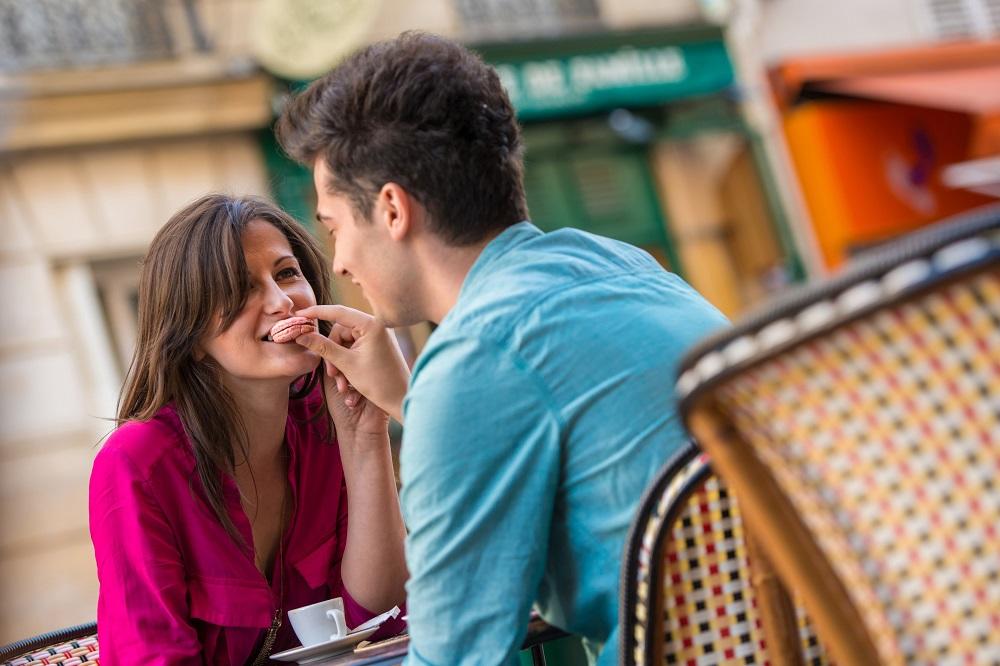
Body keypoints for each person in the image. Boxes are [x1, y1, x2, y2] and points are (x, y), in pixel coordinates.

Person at [277, 32, 729, 665]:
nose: (340, 263)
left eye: (333, 228)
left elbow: (456, 655)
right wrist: (412, 400)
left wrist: (434, 397)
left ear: (392, 209)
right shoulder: (624, 266)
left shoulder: (476, 360)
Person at [88, 194, 407, 665]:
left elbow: (380, 620)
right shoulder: (137, 463)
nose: (282, 302)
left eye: (286, 273)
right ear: (191, 334)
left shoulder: (327, 421)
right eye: (240, 288)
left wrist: (366, 436)